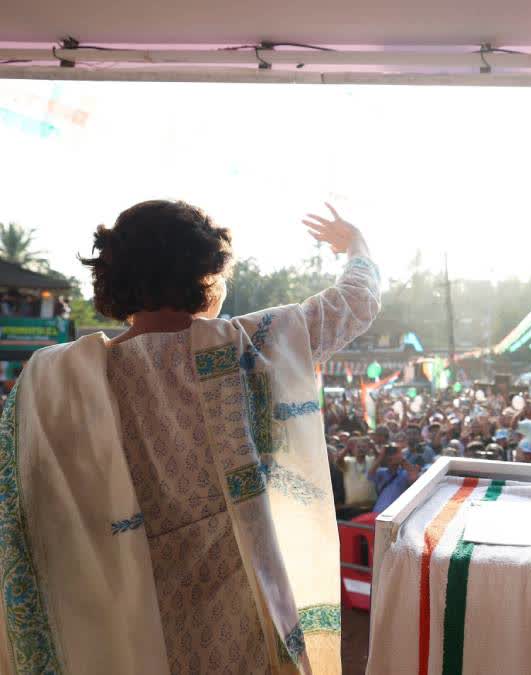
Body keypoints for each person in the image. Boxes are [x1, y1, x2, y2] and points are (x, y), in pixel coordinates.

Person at [0, 200, 381, 672]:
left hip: (132, 624)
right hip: (247, 624)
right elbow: (357, 300)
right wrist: (355, 242)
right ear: (207, 271)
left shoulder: (59, 378)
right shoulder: (252, 346)